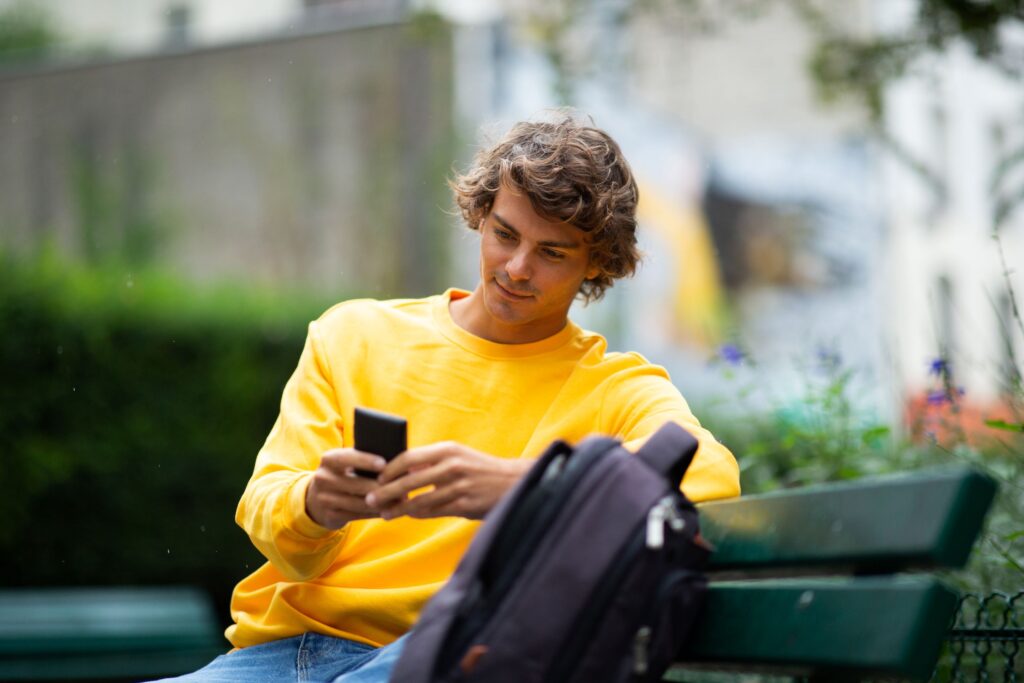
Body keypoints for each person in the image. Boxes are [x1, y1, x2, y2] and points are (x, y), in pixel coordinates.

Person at [156, 114, 740, 682]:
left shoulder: (617, 388)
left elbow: (712, 476)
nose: (516, 268)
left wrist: (523, 489)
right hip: (282, 654)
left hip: (447, 650)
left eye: (552, 252)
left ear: (597, 262)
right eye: (505, 235)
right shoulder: (353, 334)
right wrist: (317, 503)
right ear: (480, 215)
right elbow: (267, 508)